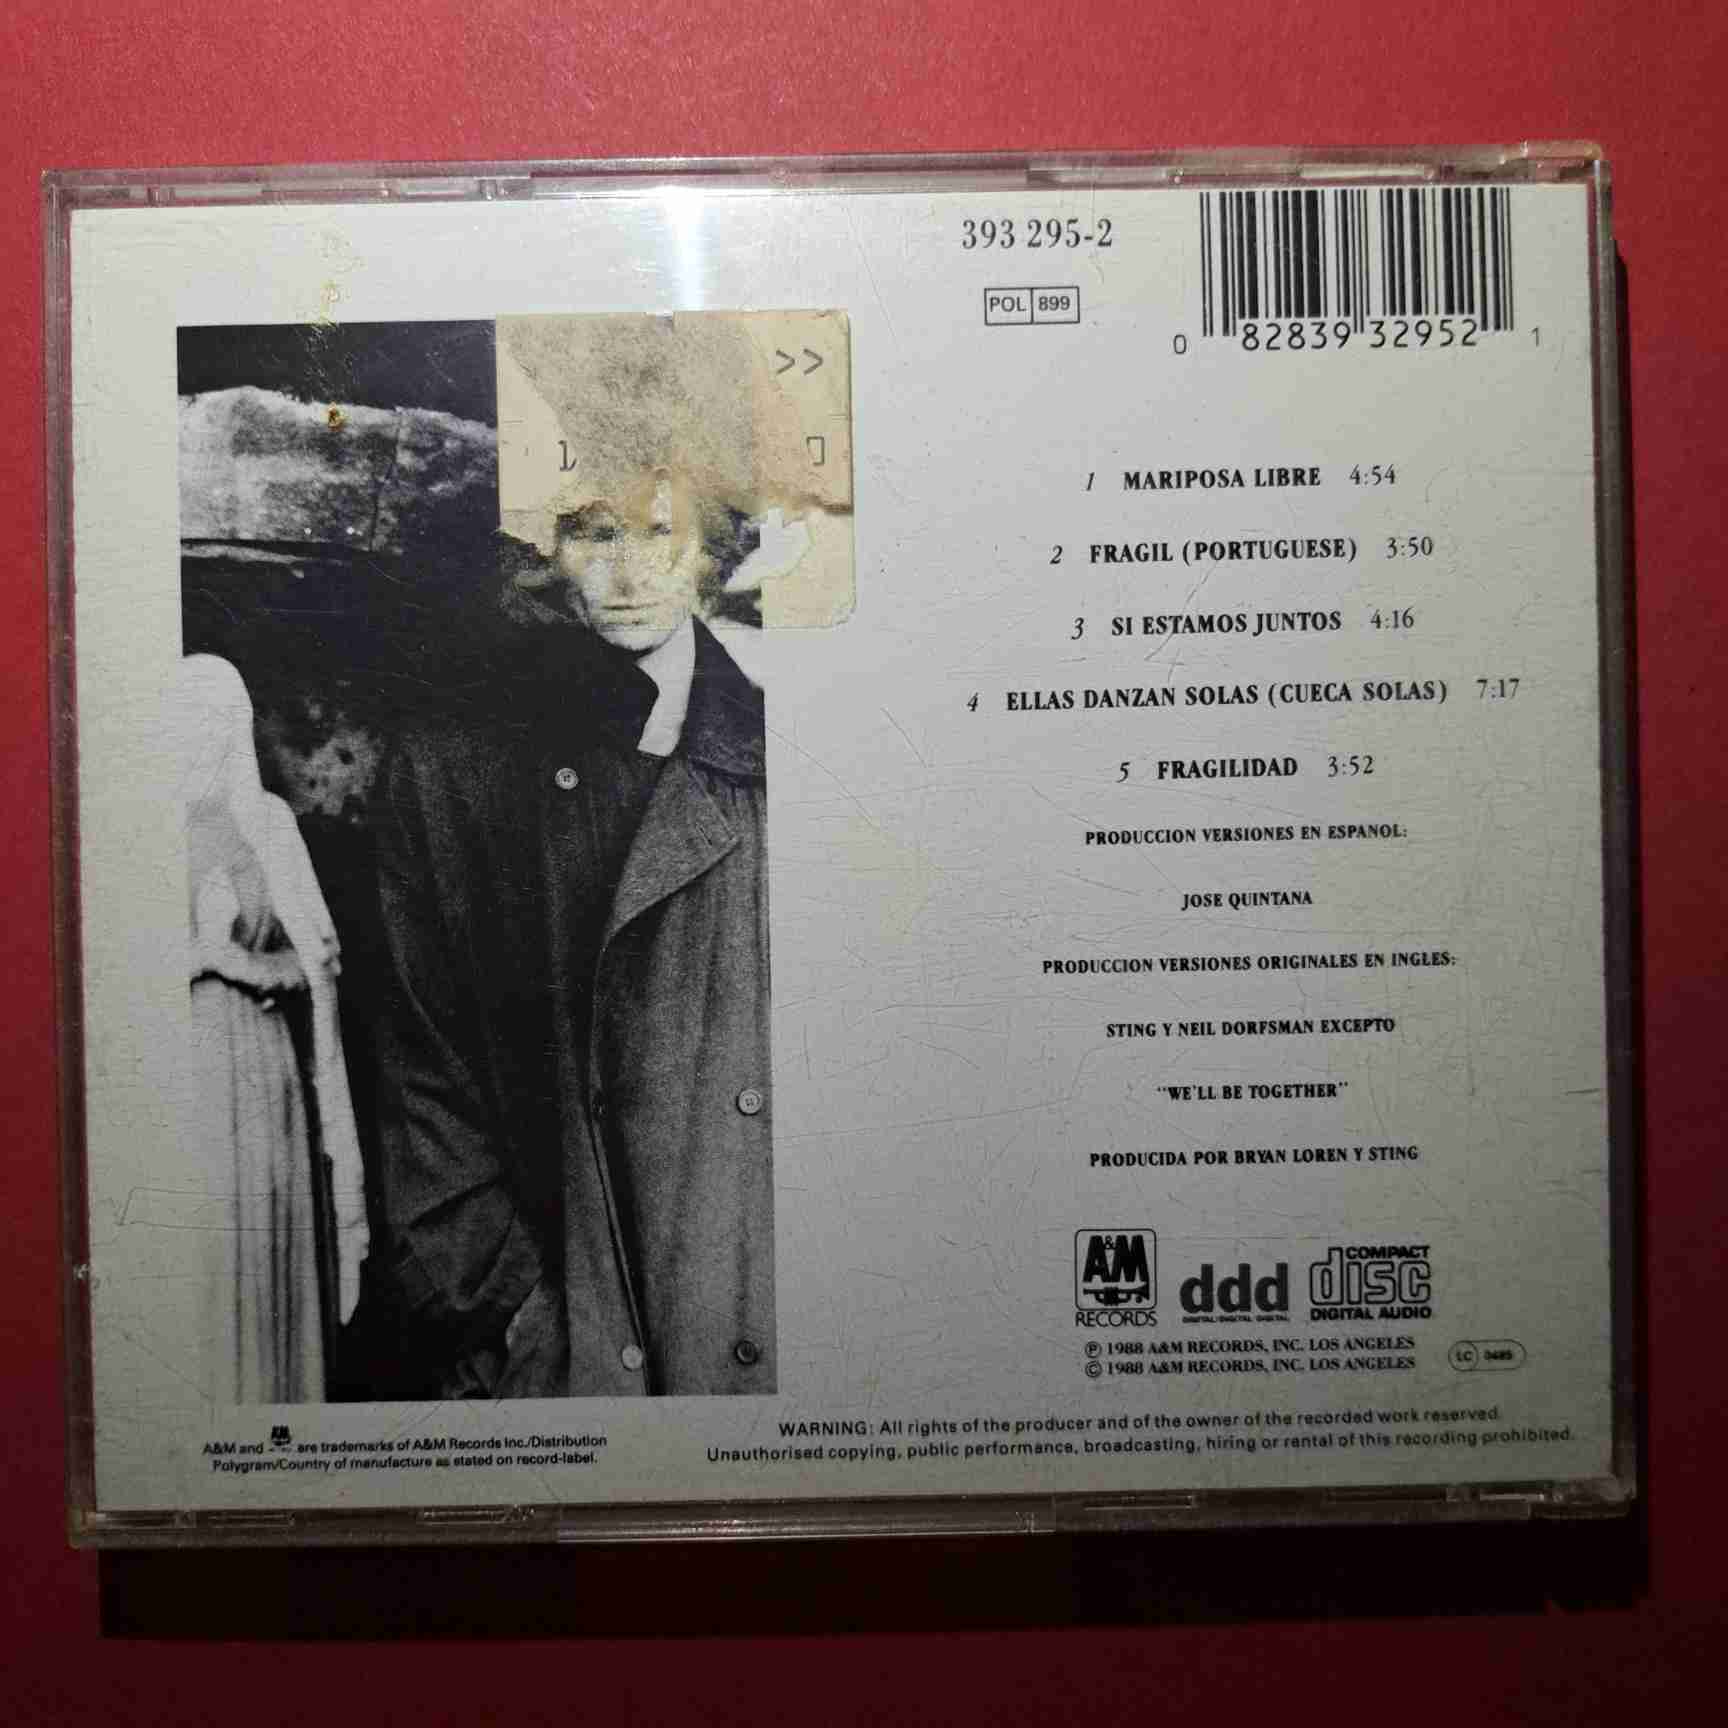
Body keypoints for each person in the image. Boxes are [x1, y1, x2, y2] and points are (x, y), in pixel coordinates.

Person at [373, 466, 775, 1399]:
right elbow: (419, 1066)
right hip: (569, 1340)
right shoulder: (451, 771)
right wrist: (512, 1310)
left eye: (661, 533)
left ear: (710, 549)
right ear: (541, 551)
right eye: (595, 534)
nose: (629, 574)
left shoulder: (786, 748)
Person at [179, 654, 369, 1403]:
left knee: (266, 1264)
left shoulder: (266, 822)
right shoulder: (127, 827)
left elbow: (315, 965)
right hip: (181, 1083)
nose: (200, 736)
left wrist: (240, 964)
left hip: (265, 1081)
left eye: (215, 720)